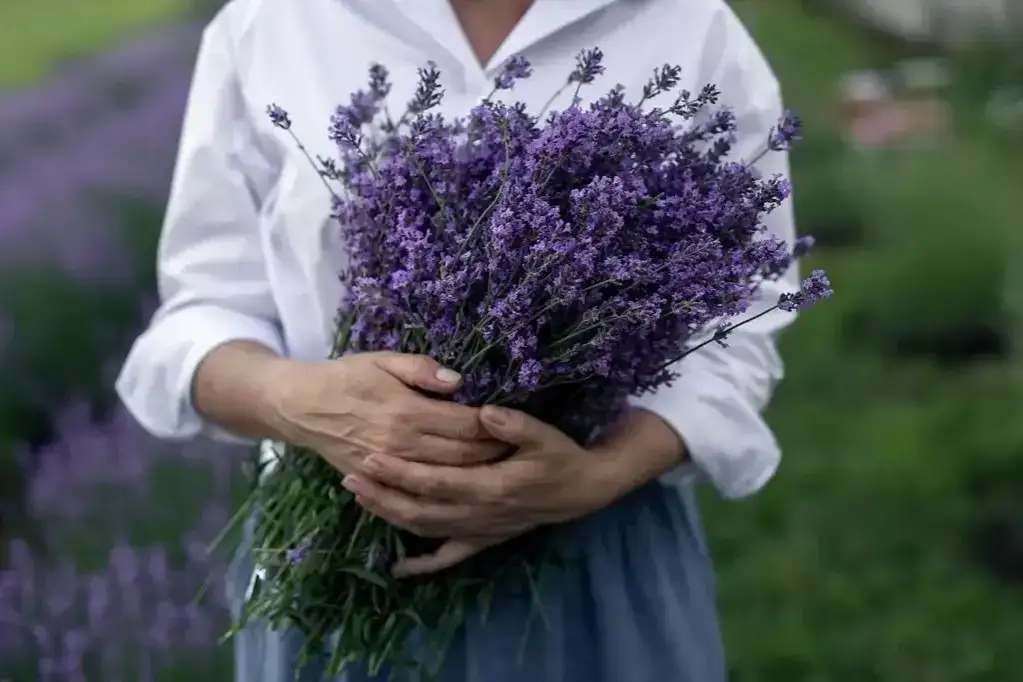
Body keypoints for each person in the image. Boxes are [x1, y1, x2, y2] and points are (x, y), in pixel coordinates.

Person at [116, 0, 799, 680]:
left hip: (593, 556)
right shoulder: (273, 22)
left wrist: (597, 474)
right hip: (338, 553)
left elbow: (739, 328)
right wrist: (302, 400)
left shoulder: (688, 23)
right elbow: (200, 315)